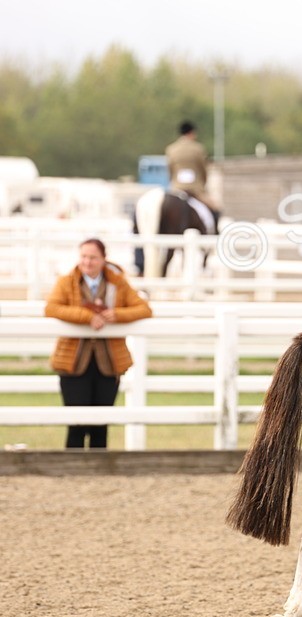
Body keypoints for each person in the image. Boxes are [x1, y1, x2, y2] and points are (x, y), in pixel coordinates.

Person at [45, 238, 153, 449]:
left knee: (102, 423)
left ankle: (99, 469)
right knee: (75, 422)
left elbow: (144, 309)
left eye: (93, 257)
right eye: (84, 256)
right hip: (74, 361)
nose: (87, 262)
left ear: (103, 259)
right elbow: (52, 308)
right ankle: (72, 467)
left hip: (108, 362)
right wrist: (86, 317)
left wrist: (116, 315)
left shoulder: (118, 282)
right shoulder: (66, 281)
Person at [166, 121, 218, 214]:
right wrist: (203, 184)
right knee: (215, 209)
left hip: (177, 189)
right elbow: (203, 169)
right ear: (192, 133)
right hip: (195, 189)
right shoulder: (198, 149)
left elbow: (170, 170)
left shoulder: (171, 149)